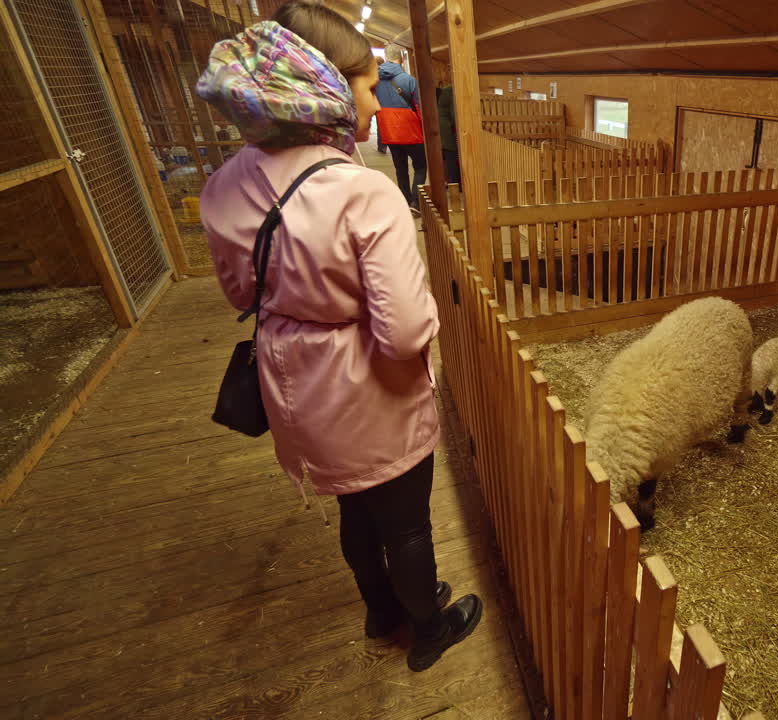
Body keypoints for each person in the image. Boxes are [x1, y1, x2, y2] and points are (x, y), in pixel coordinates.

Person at [195, 0, 482, 673]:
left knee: (356, 507)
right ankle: (428, 628)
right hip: (369, 384)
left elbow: (241, 295)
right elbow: (406, 331)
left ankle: (380, 611)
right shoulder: (364, 191)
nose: (370, 96)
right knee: (406, 520)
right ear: (319, 86)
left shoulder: (224, 185)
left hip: (295, 379)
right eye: (361, 80)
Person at [374, 45, 426, 211]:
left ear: (386, 57)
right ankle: (416, 202)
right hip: (410, 131)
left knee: (400, 168)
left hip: (389, 131)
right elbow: (419, 107)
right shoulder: (409, 80)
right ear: (401, 58)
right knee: (420, 166)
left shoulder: (375, 80)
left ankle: (405, 200)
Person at [436, 82, 461, 184]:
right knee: (451, 156)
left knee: (449, 156)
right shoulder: (451, 91)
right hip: (448, 129)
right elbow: (454, 114)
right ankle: (456, 184)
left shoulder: (447, 90)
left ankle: (453, 182)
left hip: (444, 128)